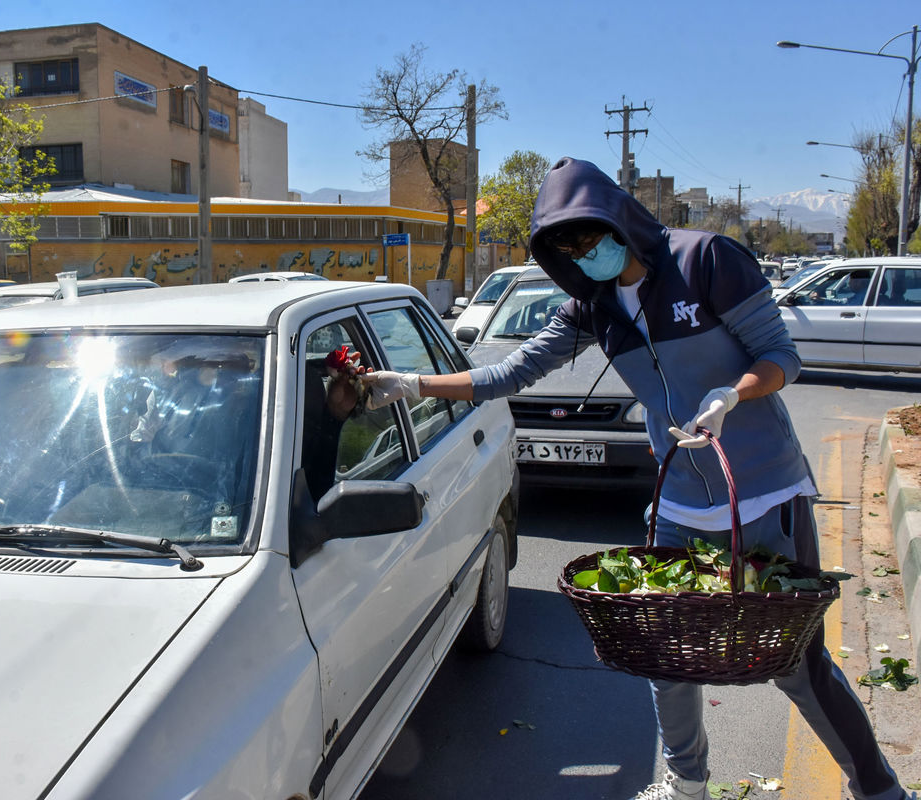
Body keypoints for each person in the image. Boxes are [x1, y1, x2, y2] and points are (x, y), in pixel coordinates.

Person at [361, 157, 907, 800]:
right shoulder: (592, 308)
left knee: (793, 661)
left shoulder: (707, 260)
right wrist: (410, 384)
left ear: (617, 217)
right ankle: (688, 782)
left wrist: (732, 396)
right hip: (677, 500)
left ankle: (877, 788)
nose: (583, 253)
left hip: (762, 493)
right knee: (664, 652)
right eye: (567, 246)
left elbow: (781, 355)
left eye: (589, 236)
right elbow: (509, 374)